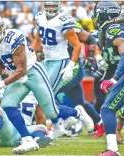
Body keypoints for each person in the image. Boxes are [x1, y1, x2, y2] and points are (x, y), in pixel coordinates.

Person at [0, 12, 93, 154]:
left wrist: (0, 84)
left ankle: (77, 113)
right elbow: (0, 62)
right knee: (8, 105)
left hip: (32, 71)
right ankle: (27, 140)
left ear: (3, 25)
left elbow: (21, 70)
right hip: (16, 75)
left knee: (50, 110)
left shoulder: (13, 37)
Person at [31, 2, 100, 136]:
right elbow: (38, 43)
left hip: (69, 65)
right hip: (52, 62)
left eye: (53, 6)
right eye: (48, 6)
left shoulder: (67, 22)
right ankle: (98, 121)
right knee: (80, 102)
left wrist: (90, 59)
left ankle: (64, 119)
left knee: (45, 95)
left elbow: (90, 40)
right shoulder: (41, 18)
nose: (51, 9)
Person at [92, 2, 124, 156]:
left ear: (104, 15)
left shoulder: (114, 29)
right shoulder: (122, 27)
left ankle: (113, 150)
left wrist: (114, 79)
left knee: (107, 108)